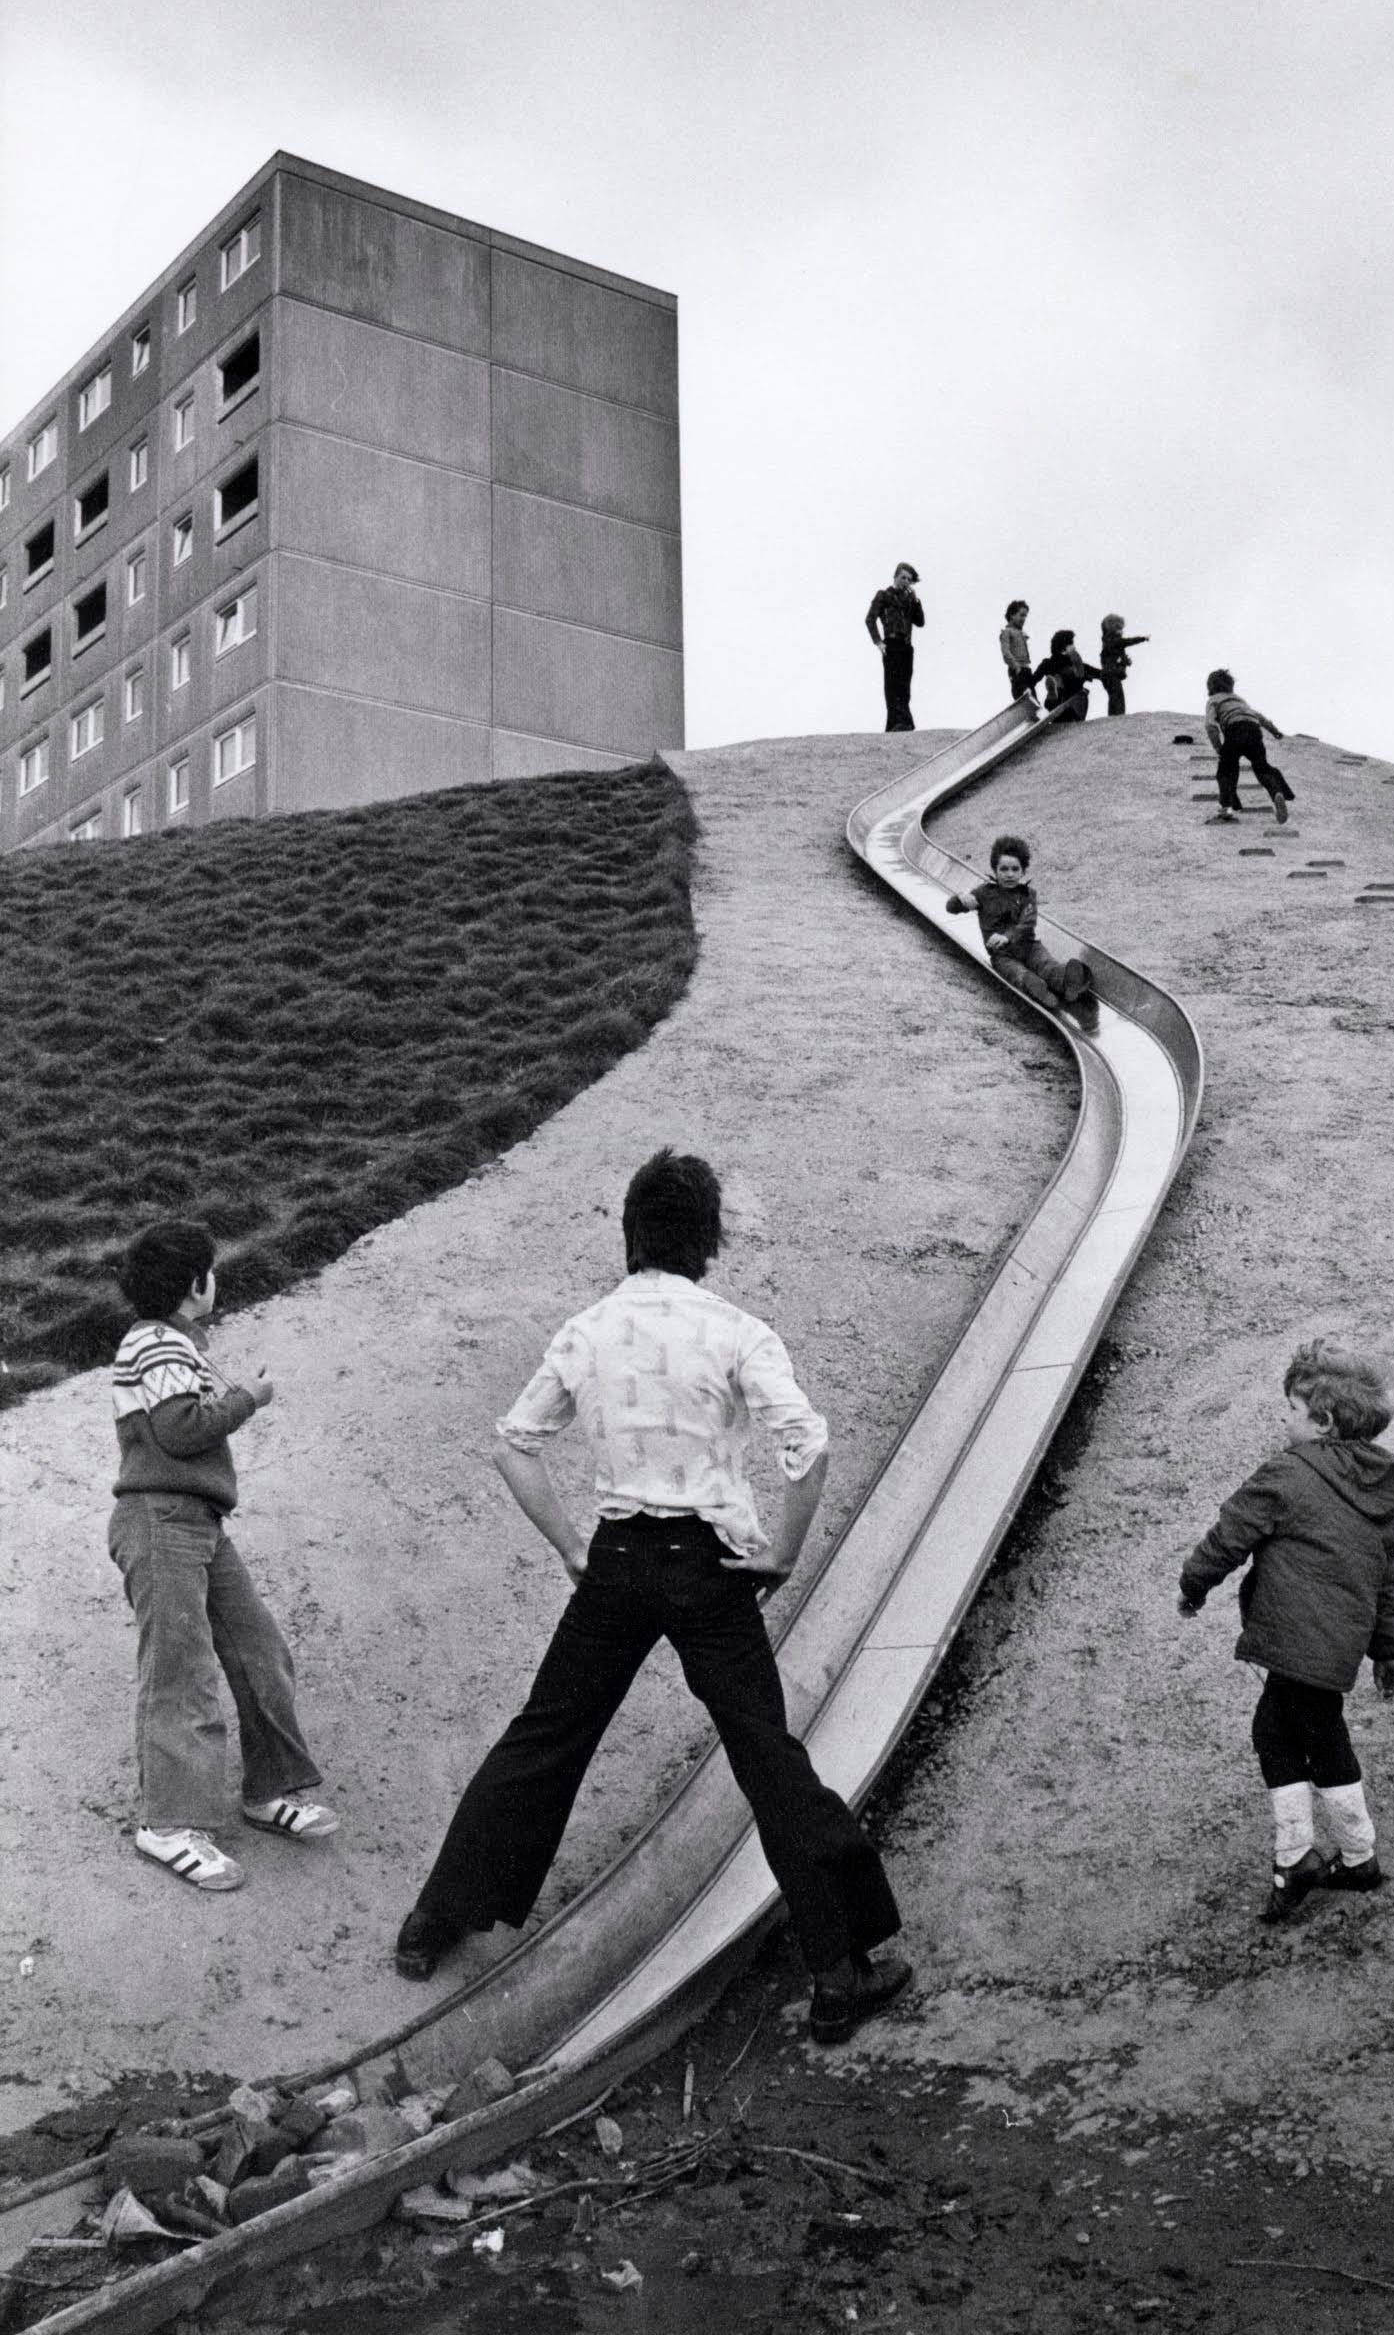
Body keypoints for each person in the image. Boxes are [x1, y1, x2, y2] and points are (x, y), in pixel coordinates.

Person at [394, 1150, 912, 2046]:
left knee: (546, 1735)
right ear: (707, 1240)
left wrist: (568, 1547)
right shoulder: (737, 1331)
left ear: (629, 1235)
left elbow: (514, 1444)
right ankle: (839, 1971)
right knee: (765, 1755)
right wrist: (783, 1553)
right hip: (710, 1569)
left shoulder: (587, 1330)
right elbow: (808, 1448)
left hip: (618, 1559)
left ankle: (436, 1921)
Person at [107, 1222, 336, 1893]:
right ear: (192, 1284)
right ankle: (168, 1825)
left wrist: (231, 1394)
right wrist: (249, 1399)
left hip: (198, 1520)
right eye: (209, 1271)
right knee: (181, 1671)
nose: (217, 1281)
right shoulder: (153, 1341)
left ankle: (269, 1791)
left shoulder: (176, 1345)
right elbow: (181, 1433)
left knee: (257, 1648)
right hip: (160, 1520)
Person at [1177, 1338, 1394, 1923]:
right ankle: (1312, 1854)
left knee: (1315, 1736)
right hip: (1337, 1645)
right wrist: (1386, 1653)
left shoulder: (1287, 1473)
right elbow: (1386, 1582)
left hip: (1293, 1636)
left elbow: (1230, 1534)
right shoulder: (1382, 1493)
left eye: (1290, 1410)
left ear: (1322, 1422)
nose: (1283, 1420)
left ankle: (1347, 1857)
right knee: (1283, 1729)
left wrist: (1193, 1586)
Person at [945, 834, 1097, 1024]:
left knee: (1047, 965)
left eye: (1015, 869)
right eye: (1004, 869)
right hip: (1002, 955)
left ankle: (1068, 982)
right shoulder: (984, 893)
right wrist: (960, 898)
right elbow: (950, 908)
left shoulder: (1028, 895)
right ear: (995, 870)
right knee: (1017, 974)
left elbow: (1027, 923)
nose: (1009, 874)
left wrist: (1007, 936)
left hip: (1029, 947)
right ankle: (1037, 989)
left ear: (1023, 871)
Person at [1203, 669, 1296, 823]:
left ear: (1210, 687)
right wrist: (1274, 731)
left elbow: (1210, 725)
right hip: (1254, 731)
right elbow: (1259, 716)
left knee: (1226, 770)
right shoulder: (1240, 700)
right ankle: (1276, 793)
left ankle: (1225, 808)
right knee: (1262, 768)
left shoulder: (1213, 700)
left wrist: (1219, 747)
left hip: (1235, 730)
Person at [865, 563, 925, 732]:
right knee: (892, 685)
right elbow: (870, 619)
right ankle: (897, 723)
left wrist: (915, 599)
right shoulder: (884, 595)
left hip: (907, 646)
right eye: (903, 577)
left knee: (905, 686)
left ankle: (902, 724)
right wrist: (878, 642)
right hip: (890, 644)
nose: (906, 581)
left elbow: (920, 622)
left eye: (909, 580)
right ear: (895, 576)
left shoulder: (909, 600)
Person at [1032, 629, 1099, 723]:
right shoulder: (1074, 663)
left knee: (1063, 684)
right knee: (1081, 688)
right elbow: (1099, 673)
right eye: (1071, 644)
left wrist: (1025, 687)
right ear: (1063, 649)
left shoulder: (1047, 663)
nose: (1074, 647)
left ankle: (1054, 694)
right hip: (1074, 701)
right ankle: (1065, 688)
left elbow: (1033, 680)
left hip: (1054, 703)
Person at [1098, 615, 1149, 717]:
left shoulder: (1107, 642)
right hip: (1111, 675)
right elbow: (1127, 641)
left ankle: (1113, 718)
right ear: (1113, 629)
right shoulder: (1113, 640)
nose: (1122, 631)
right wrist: (1143, 638)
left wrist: (1123, 662)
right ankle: (1118, 719)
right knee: (1118, 699)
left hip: (1108, 675)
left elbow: (1111, 656)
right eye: (1119, 629)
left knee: (1114, 698)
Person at [999, 600, 1038, 704]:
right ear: (1012, 615)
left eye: (1025, 616)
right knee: (1021, 688)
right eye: (1021, 615)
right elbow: (1006, 652)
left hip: (1026, 669)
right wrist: (1015, 665)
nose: (1024, 619)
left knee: (1032, 694)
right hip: (1017, 668)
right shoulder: (1007, 632)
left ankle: (1035, 709)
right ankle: (1024, 699)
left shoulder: (1021, 633)